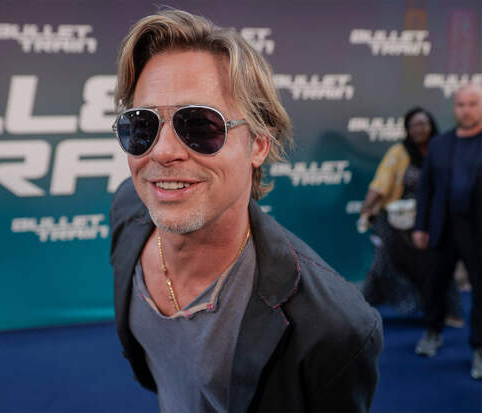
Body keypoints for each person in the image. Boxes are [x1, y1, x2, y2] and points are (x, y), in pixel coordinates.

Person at [109, 9, 383, 412]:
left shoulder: (335, 325)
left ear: (258, 144)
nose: (162, 151)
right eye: (143, 125)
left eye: (200, 126)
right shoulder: (129, 210)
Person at [359, 108, 464, 322]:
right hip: (397, 220)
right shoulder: (399, 152)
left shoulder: (442, 150)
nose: (419, 129)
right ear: (407, 129)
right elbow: (380, 183)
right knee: (383, 263)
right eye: (413, 125)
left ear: (431, 125)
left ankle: (449, 312)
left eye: (423, 124)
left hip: (433, 219)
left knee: (440, 263)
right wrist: (367, 206)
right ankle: (360, 312)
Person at [412, 84, 482, 380]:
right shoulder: (440, 144)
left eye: (473, 104)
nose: (466, 110)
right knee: (435, 283)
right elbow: (426, 189)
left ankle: (479, 348)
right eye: (461, 104)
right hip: (442, 227)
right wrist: (420, 225)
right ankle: (432, 331)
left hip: (477, 230)